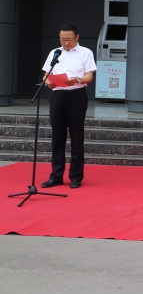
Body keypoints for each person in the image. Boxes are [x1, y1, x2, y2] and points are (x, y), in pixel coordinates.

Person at [41, 24, 96, 190]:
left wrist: (77, 80)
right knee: (57, 138)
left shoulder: (85, 53)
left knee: (76, 137)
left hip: (76, 96)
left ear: (77, 37)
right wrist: (47, 82)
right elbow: (46, 74)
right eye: (63, 39)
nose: (66, 43)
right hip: (57, 96)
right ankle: (56, 176)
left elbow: (89, 76)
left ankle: (76, 176)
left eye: (69, 39)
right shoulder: (55, 52)